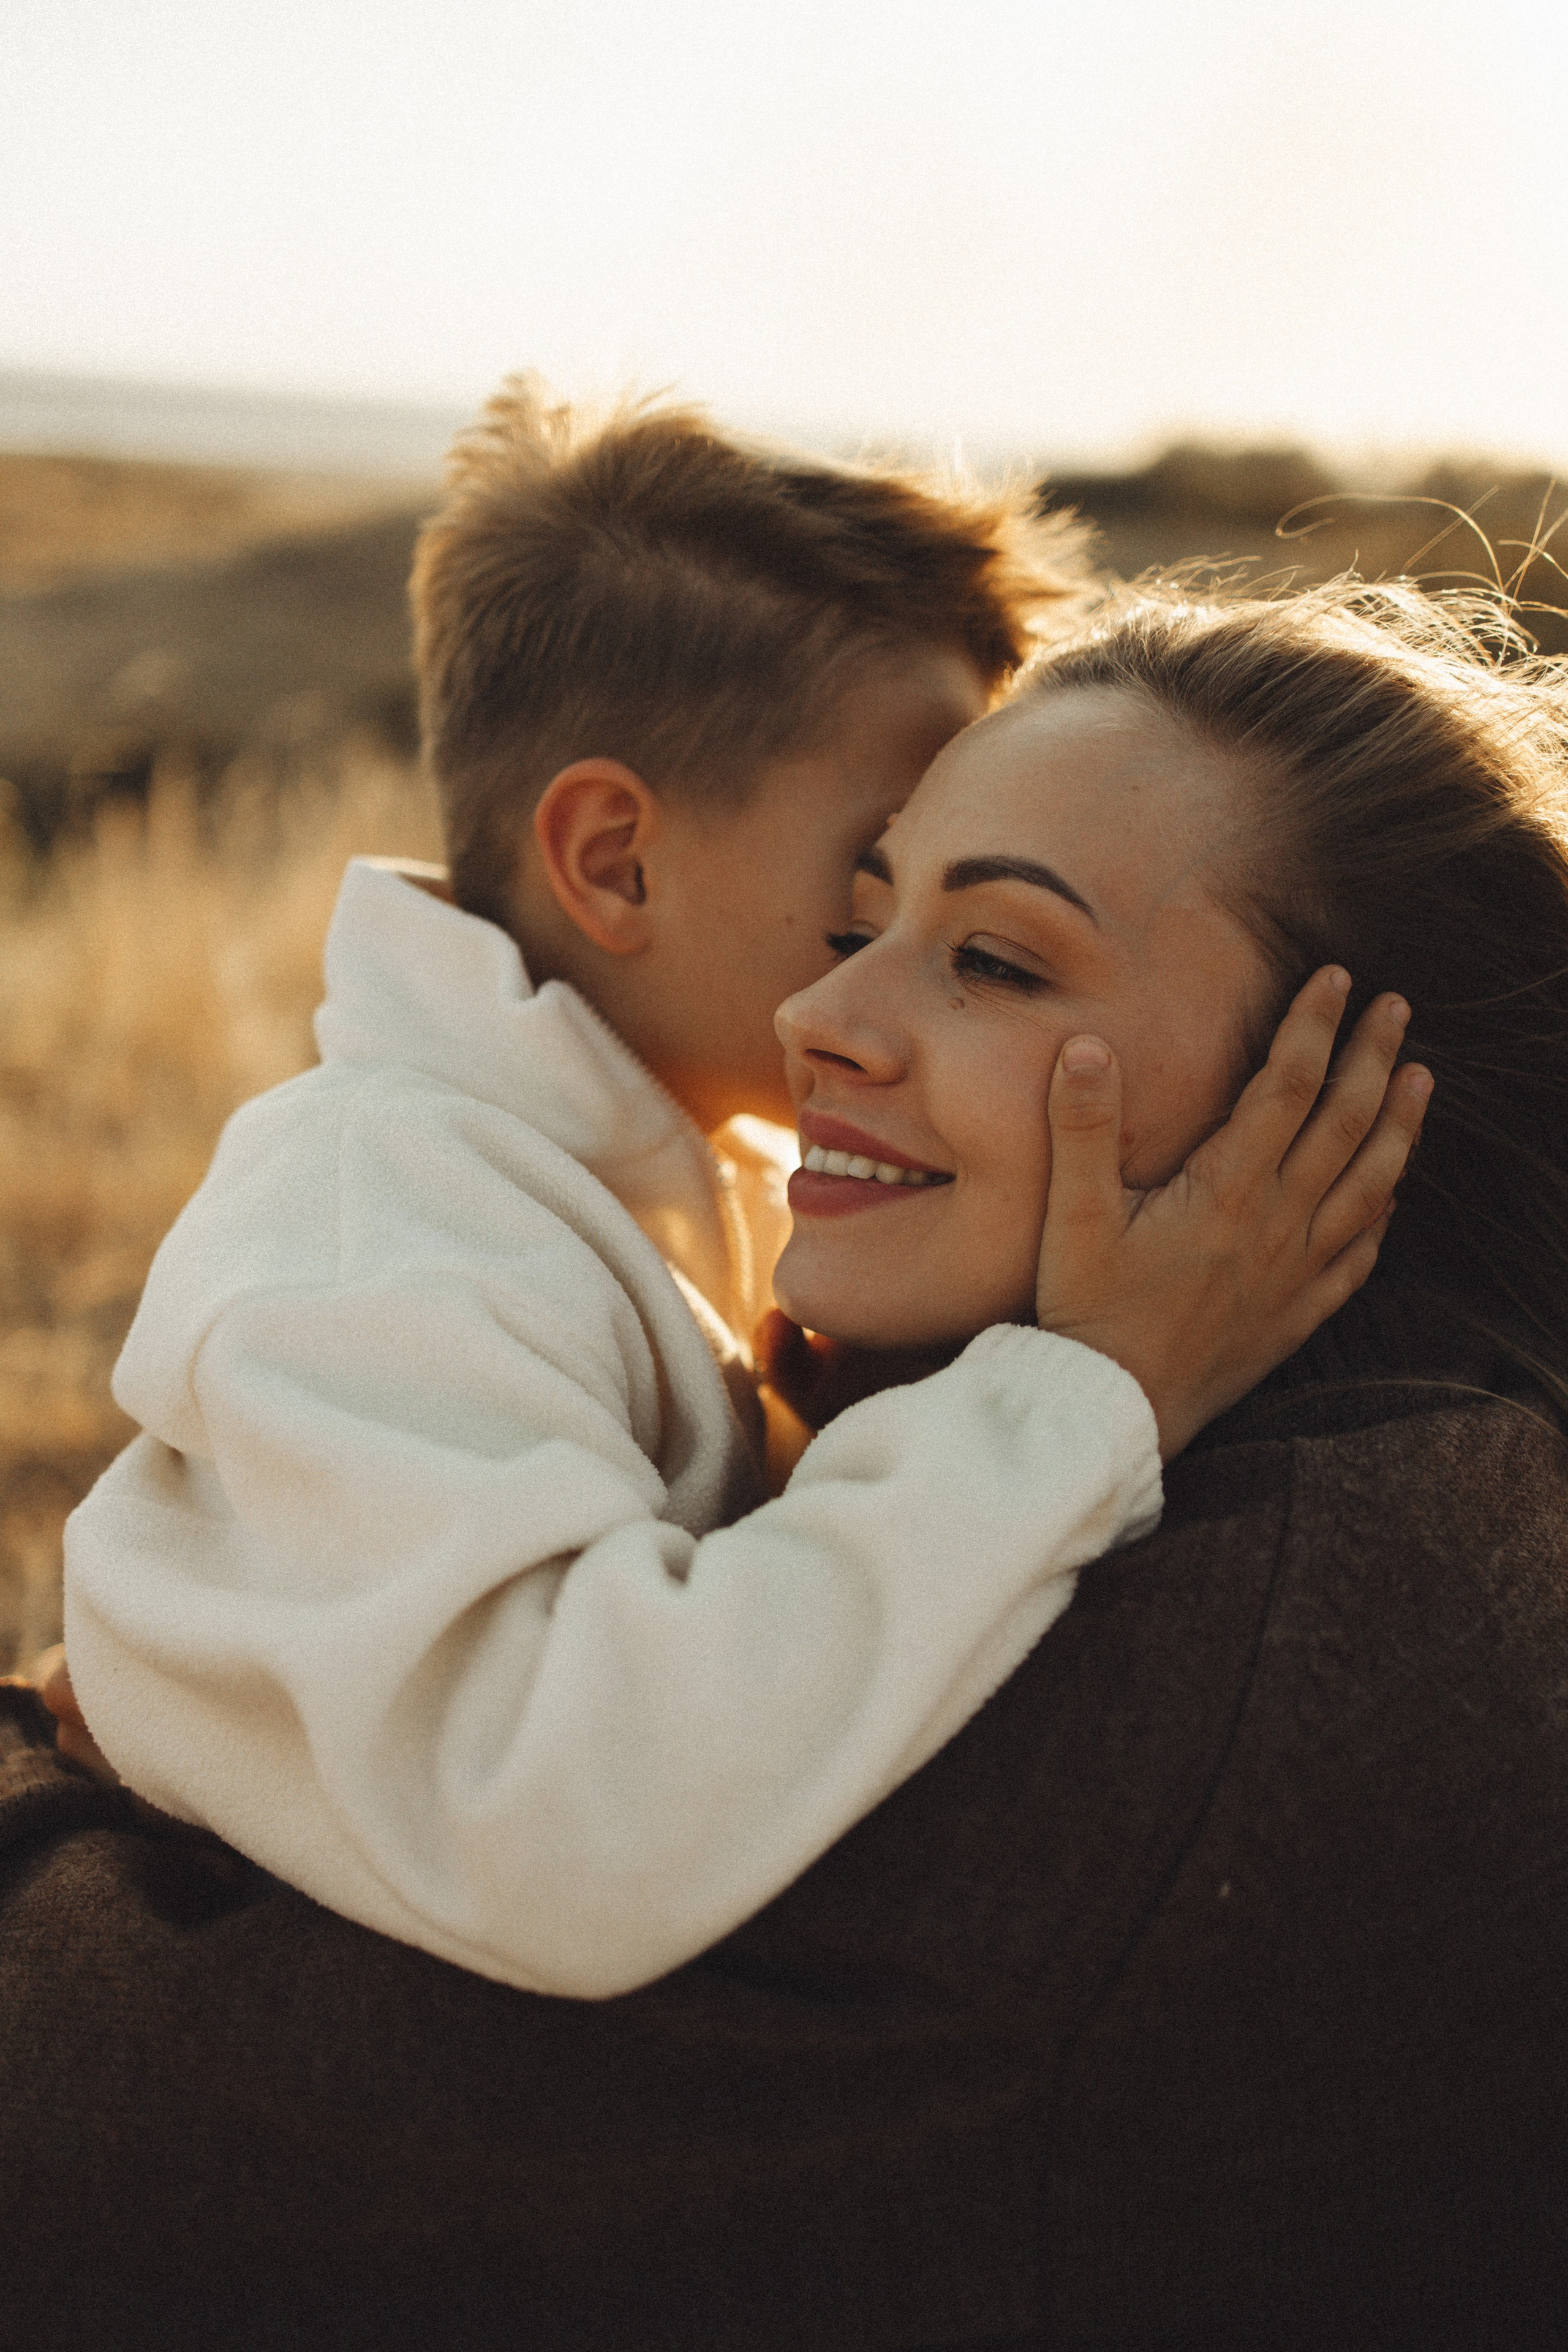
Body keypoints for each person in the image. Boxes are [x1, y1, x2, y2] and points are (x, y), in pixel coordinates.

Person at [6, 573, 1561, 2351]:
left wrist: (50, 1772)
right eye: (860, 919)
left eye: (995, 959)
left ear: (1350, 1101)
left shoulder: (1248, 1693)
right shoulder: (1399, 1511)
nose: (818, 1019)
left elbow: (115, 2151)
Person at [53, 383, 1412, 2002]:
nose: (859, 990)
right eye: (868, 887)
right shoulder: (385, 1210)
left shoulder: (695, 1181)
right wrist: (1081, 1397)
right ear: (615, 861)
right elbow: (560, 1818)